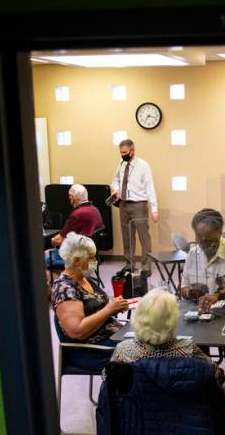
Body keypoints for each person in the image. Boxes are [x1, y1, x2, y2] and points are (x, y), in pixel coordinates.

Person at [51, 232, 130, 371]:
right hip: (91, 350)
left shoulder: (83, 278)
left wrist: (116, 305)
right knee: (147, 354)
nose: (95, 261)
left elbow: (97, 305)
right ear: (76, 261)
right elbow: (77, 331)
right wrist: (109, 310)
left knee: (153, 343)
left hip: (111, 339)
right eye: (91, 257)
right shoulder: (64, 288)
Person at [110, 289, 224, 385]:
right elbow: (215, 375)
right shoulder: (187, 349)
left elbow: (109, 381)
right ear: (173, 321)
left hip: (136, 409)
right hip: (182, 409)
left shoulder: (123, 351)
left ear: (138, 316)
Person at [179, 208, 225, 312]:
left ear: (220, 232)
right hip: (204, 312)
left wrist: (217, 296)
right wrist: (189, 292)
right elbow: (183, 288)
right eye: (200, 240)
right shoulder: (192, 254)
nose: (205, 245)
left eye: (210, 240)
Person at [110, 139, 158, 275]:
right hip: (123, 204)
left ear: (132, 151)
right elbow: (115, 180)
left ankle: (146, 266)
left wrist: (154, 209)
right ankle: (129, 264)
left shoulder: (143, 165)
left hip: (139, 204)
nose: (122, 155)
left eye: (124, 152)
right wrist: (116, 189)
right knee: (127, 237)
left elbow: (150, 187)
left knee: (144, 237)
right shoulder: (121, 163)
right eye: (120, 152)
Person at [44, 184, 103, 269]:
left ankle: (62, 281)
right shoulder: (95, 210)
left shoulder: (77, 214)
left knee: (45, 256)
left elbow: (59, 239)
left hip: (79, 257)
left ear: (72, 197)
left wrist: (52, 241)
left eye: (69, 196)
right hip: (92, 255)